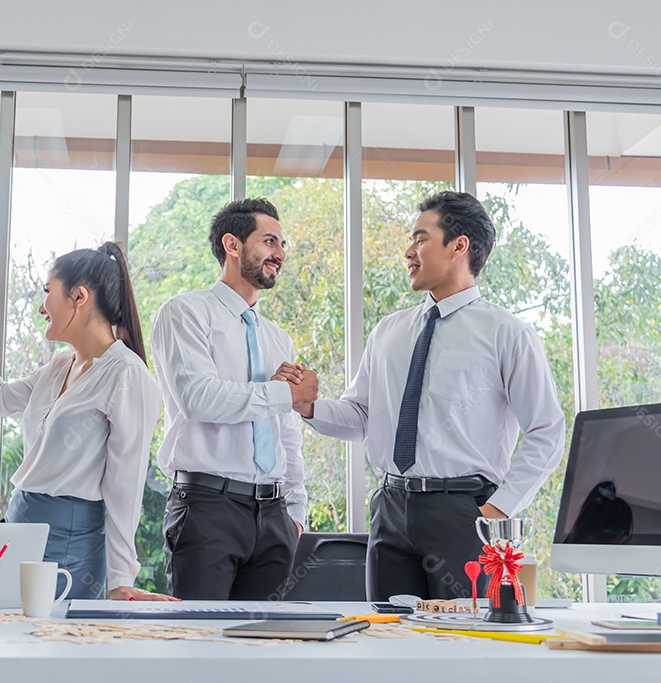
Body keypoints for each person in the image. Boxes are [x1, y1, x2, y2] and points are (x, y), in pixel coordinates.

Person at [298, 190, 566, 601]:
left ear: (459, 245)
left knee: (467, 643)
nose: (409, 251)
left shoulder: (506, 332)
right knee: (389, 640)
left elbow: (547, 431)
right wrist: (310, 406)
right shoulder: (388, 331)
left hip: (464, 512)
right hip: (390, 509)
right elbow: (360, 416)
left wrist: (496, 510)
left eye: (420, 239)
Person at [0, 241, 173, 601]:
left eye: (48, 292)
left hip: (69, 541)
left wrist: (120, 579)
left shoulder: (128, 375)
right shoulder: (60, 365)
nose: (42, 306)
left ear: (79, 296)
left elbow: (125, 488)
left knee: (51, 648)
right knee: (8, 643)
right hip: (18, 526)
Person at [151, 198, 317, 600]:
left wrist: (295, 512)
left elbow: (287, 432)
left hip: (275, 516)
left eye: (282, 244)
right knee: (200, 643)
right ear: (233, 244)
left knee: (265, 649)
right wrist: (280, 393)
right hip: (208, 508)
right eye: (270, 241)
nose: (279, 254)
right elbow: (199, 398)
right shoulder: (185, 313)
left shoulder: (278, 337)